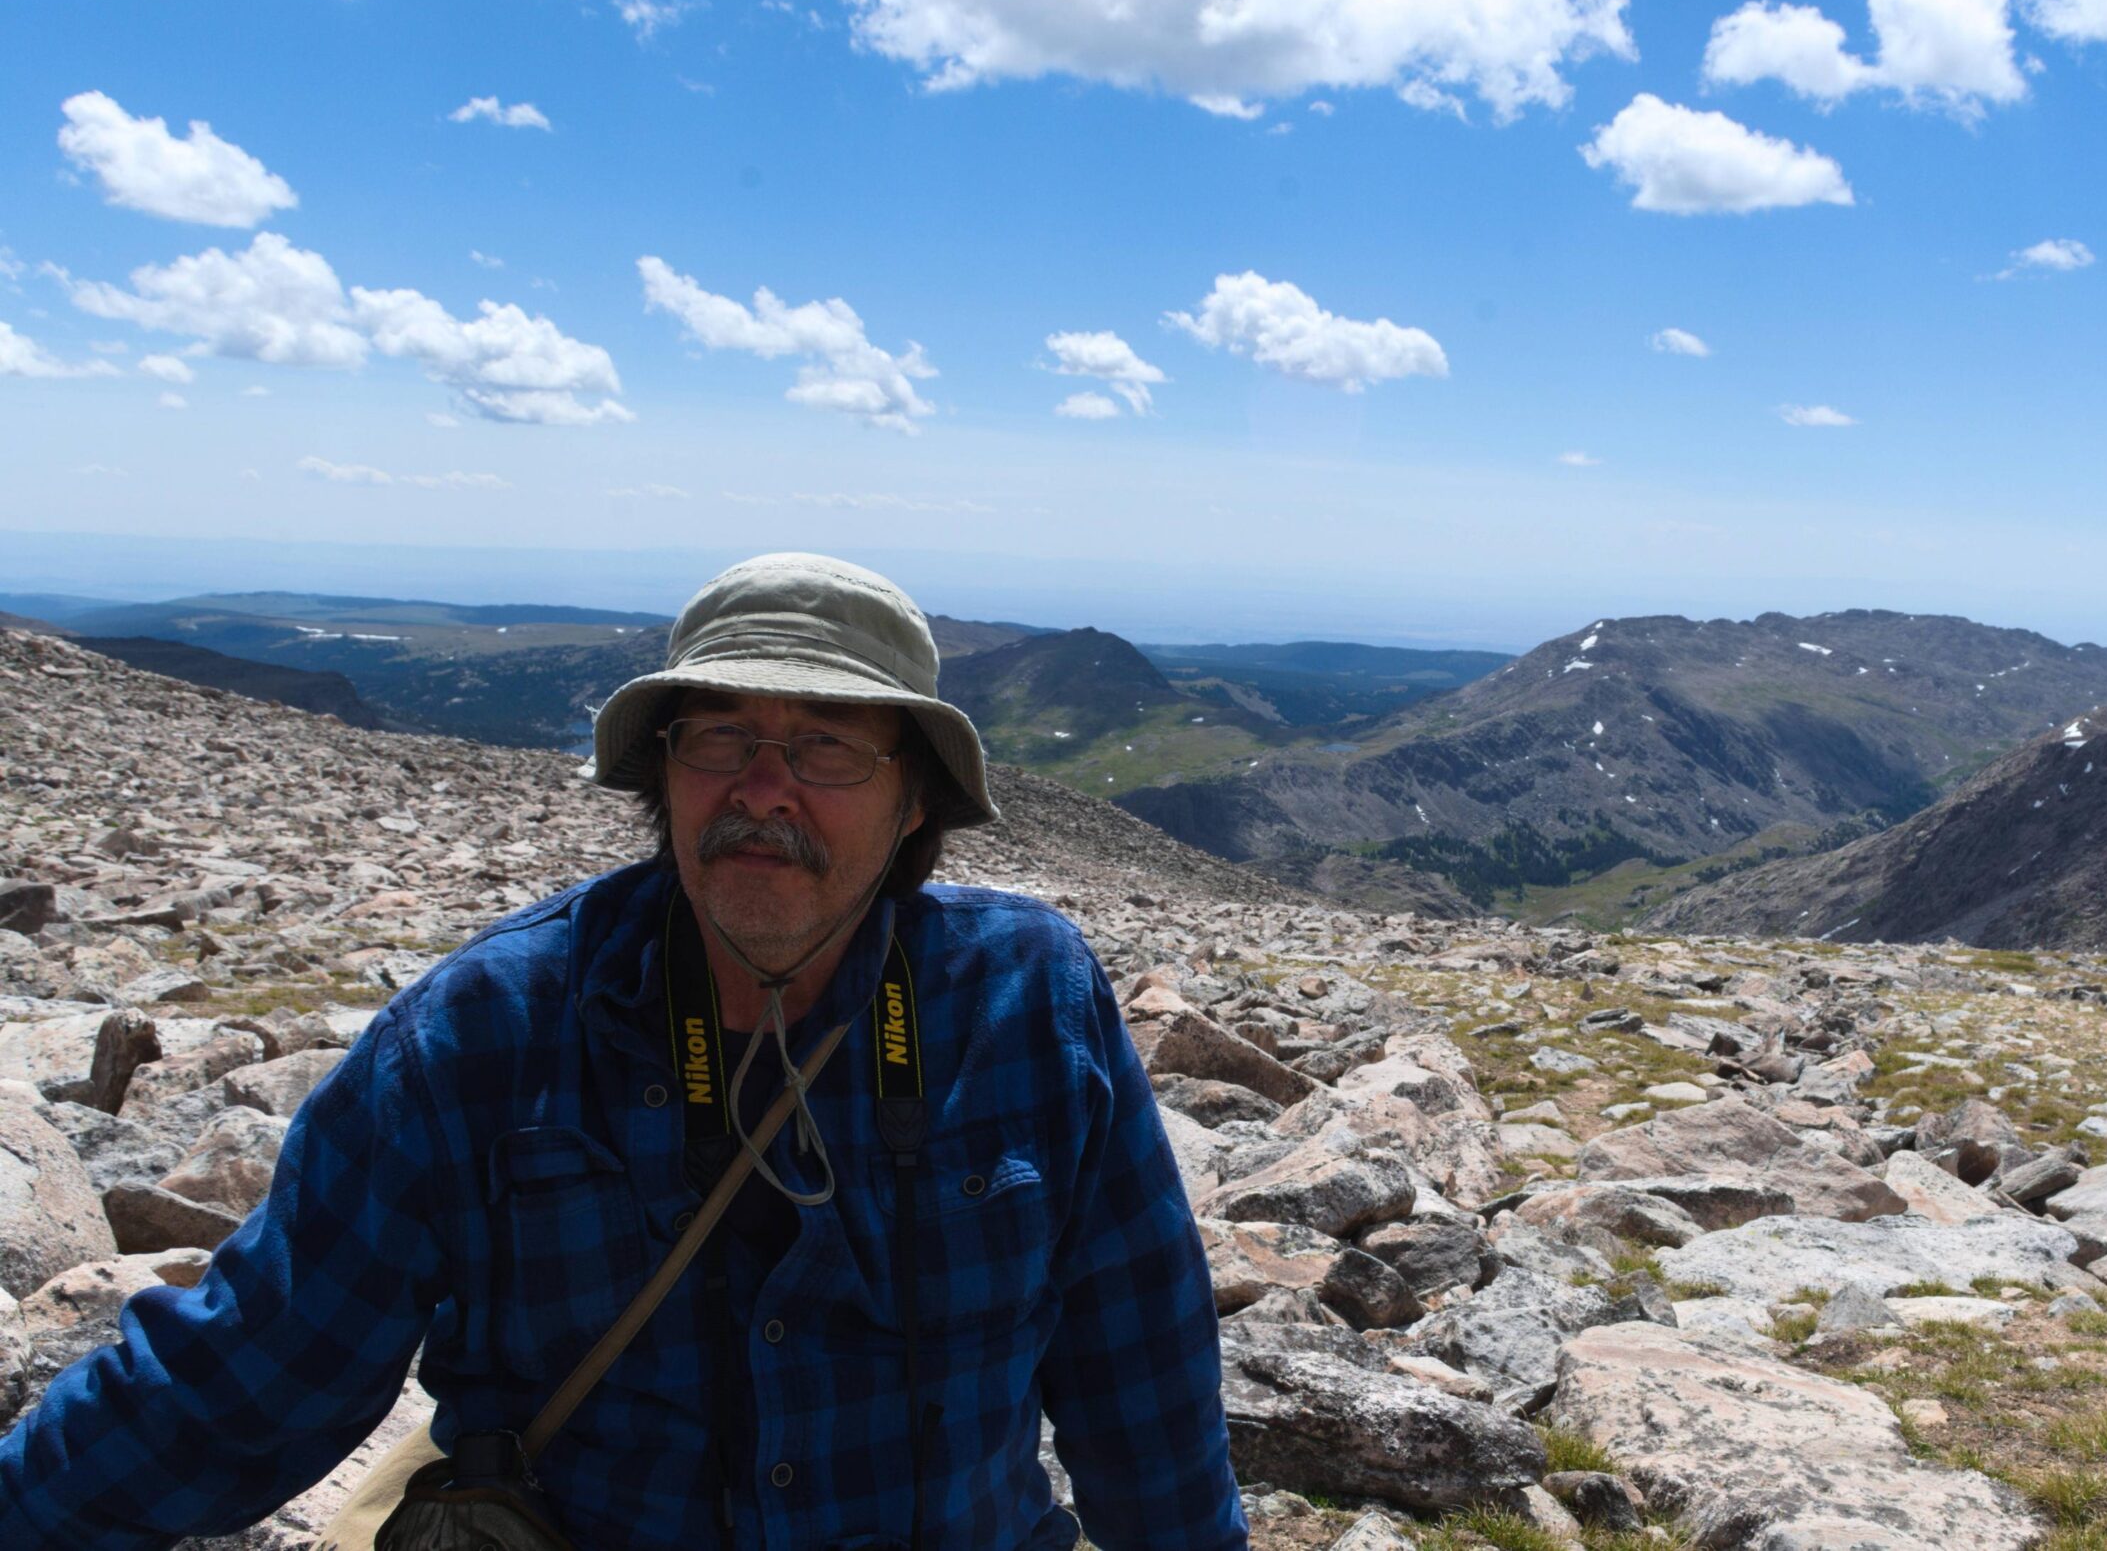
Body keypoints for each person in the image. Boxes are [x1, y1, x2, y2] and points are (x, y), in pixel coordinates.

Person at [0, 552, 1248, 1550]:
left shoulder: (1025, 997)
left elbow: (1139, 1378)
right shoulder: (487, 1031)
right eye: (718, 738)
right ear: (663, 772)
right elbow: (246, 1380)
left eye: (825, 746)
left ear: (914, 799)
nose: (763, 787)